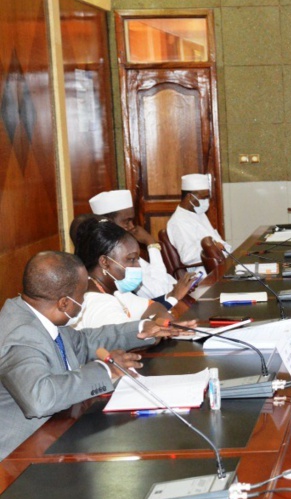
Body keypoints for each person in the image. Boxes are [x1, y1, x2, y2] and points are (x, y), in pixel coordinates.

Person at [0, 251, 188, 460]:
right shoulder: (20, 335)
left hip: (58, 433)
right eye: (82, 297)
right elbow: (40, 397)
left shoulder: (41, 314)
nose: (83, 302)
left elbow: (85, 341)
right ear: (64, 303)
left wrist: (144, 328)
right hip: (21, 458)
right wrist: (105, 370)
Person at [89, 190, 198, 308]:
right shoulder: (117, 262)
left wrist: (179, 287)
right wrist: (151, 243)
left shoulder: (126, 252)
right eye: (126, 221)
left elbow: (161, 286)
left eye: (132, 221)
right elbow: (159, 291)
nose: (131, 227)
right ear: (109, 224)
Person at [74, 219, 171, 329]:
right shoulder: (97, 302)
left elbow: (156, 307)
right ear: (104, 262)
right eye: (131, 259)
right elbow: (130, 342)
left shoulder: (114, 290)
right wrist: (153, 325)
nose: (138, 266)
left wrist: (152, 323)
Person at [166, 173, 232, 271]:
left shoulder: (199, 213)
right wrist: (212, 248)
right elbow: (187, 256)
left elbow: (217, 240)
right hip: (203, 271)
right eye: (204, 197)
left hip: (220, 264)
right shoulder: (178, 221)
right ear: (189, 197)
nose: (206, 201)